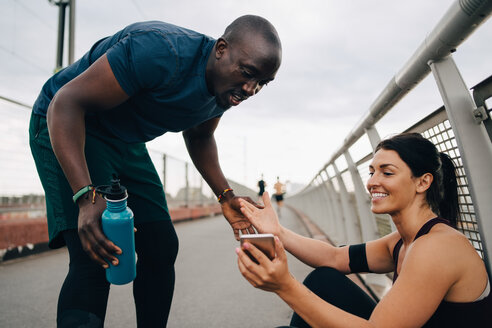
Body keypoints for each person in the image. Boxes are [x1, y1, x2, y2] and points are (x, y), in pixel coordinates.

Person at [29, 15, 281, 327]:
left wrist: (225, 195)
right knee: (93, 256)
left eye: (261, 83)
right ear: (221, 49)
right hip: (70, 123)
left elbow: (200, 135)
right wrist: (85, 197)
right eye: (248, 74)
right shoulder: (159, 52)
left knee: (161, 247)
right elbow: (65, 104)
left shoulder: (227, 87)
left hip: (125, 140)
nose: (250, 88)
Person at [236, 133, 491, 327]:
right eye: (371, 172)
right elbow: (334, 258)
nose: (372, 182)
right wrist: (278, 231)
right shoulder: (403, 241)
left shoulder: (437, 247)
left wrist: (284, 286)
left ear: (423, 182)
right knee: (323, 279)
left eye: (387, 172)